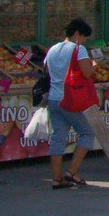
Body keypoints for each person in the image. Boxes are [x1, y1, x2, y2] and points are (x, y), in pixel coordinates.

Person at [44, 18, 97, 190]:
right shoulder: (78, 49)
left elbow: (46, 70)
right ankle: (72, 172)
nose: (84, 41)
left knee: (58, 136)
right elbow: (87, 72)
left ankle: (56, 178)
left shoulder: (52, 49)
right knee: (87, 133)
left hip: (53, 98)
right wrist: (94, 65)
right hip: (70, 99)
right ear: (76, 34)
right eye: (84, 38)